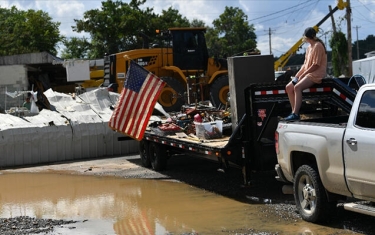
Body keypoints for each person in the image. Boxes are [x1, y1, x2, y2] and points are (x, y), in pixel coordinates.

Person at [284, 27, 327, 121]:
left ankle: (295, 114)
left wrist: (303, 75)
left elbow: (316, 65)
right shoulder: (309, 48)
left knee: (297, 87)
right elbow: (305, 65)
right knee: (288, 87)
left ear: (306, 37)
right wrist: (297, 75)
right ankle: (293, 112)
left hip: (316, 73)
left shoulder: (318, 45)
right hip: (309, 73)